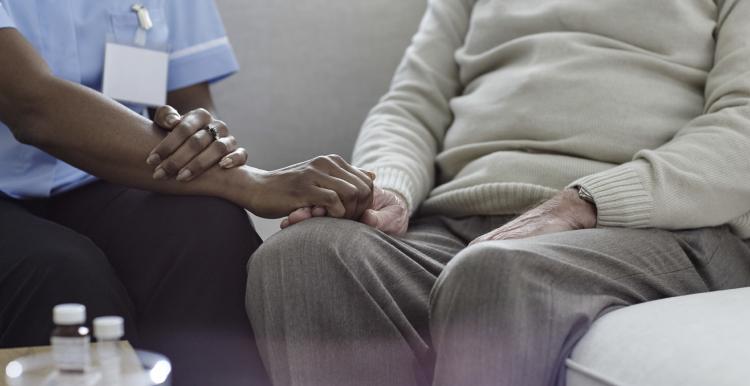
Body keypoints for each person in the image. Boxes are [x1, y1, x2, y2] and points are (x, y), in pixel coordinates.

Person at [246, 0, 750, 385]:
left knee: (493, 274)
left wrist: (584, 203)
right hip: (456, 222)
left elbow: (742, 122)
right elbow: (411, 105)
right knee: (302, 254)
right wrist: (389, 188)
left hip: (651, 227)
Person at [0, 1, 372, 385]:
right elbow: (31, 106)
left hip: (111, 174)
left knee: (209, 230)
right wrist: (251, 182)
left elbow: (189, 103)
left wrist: (202, 140)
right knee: (60, 273)